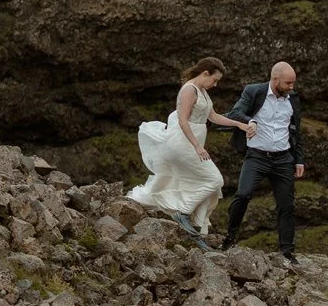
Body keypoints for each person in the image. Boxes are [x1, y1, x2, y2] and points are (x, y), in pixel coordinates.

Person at [128, 57, 238, 245]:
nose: (216, 84)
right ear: (205, 73)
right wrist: (197, 145)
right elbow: (182, 120)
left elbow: (213, 116)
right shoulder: (189, 89)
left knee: (209, 186)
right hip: (183, 144)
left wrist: (239, 124)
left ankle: (197, 232)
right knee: (215, 180)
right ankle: (183, 212)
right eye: (215, 79)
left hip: (192, 143)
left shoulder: (202, 91)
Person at [218, 61, 305, 263]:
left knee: (287, 205)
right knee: (243, 194)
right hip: (257, 155)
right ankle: (230, 238)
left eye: (293, 83)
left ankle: (287, 252)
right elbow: (235, 112)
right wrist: (250, 121)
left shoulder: (293, 98)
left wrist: (299, 160)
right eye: (288, 83)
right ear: (275, 80)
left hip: (283, 159)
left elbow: (296, 132)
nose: (291, 87)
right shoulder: (254, 92)